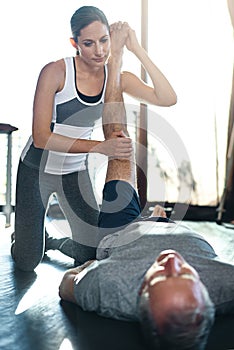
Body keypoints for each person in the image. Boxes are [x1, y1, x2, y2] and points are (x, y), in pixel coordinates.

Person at [59, 29, 234, 350]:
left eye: (158, 277)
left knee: (119, 140)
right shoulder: (228, 287)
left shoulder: (109, 288)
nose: (171, 262)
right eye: (185, 276)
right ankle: (156, 216)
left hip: (124, 228)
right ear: (207, 292)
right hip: (166, 225)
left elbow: (66, 286)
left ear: (140, 292)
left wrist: (89, 269)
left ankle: (54, 241)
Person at [11, 5, 177, 272]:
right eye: (88, 43)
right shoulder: (55, 72)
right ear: (74, 43)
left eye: (104, 40)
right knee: (27, 261)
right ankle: (25, 240)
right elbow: (41, 137)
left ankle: (51, 241)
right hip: (36, 170)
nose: (99, 51)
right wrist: (101, 147)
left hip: (74, 173)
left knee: (91, 253)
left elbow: (168, 98)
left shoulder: (117, 79)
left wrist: (137, 49)